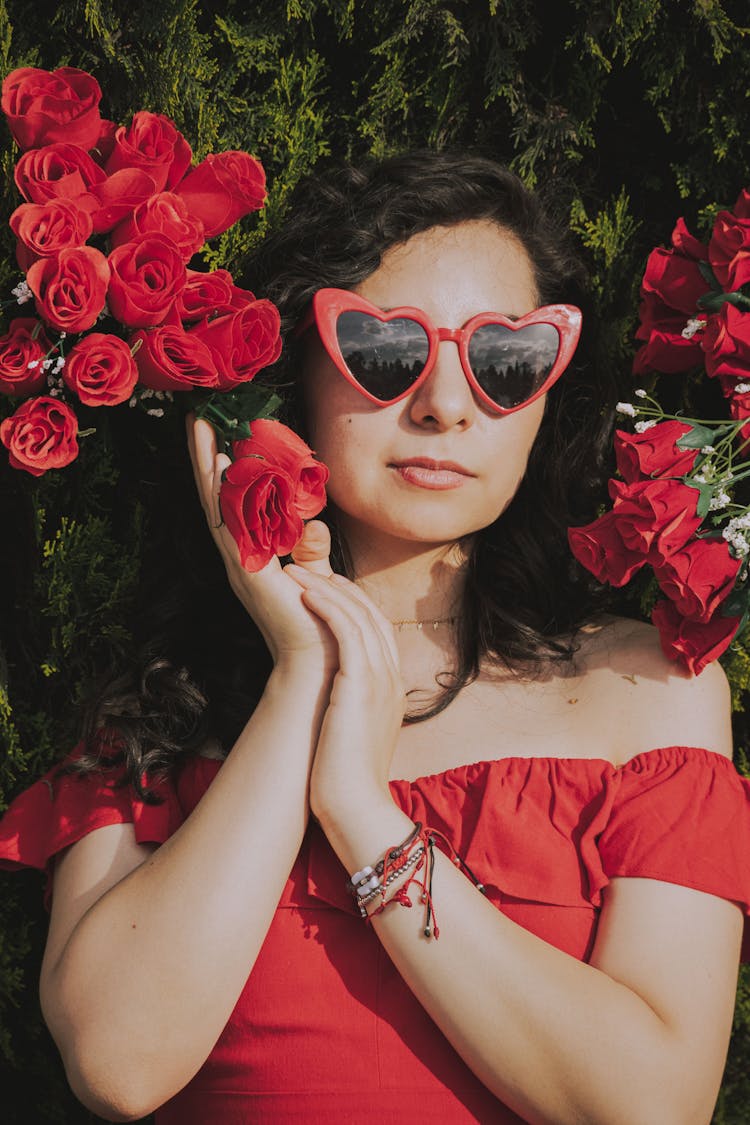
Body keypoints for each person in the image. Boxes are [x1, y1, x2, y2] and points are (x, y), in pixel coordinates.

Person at [1, 151, 749, 1125]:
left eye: (505, 359)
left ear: (547, 397)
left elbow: (650, 1106)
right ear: (294, 378)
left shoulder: (651, 691)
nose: (445, 404)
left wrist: (360, 809)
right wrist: (302, 677)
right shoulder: (160, 707)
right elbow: (119, 1062)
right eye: (387, 351)